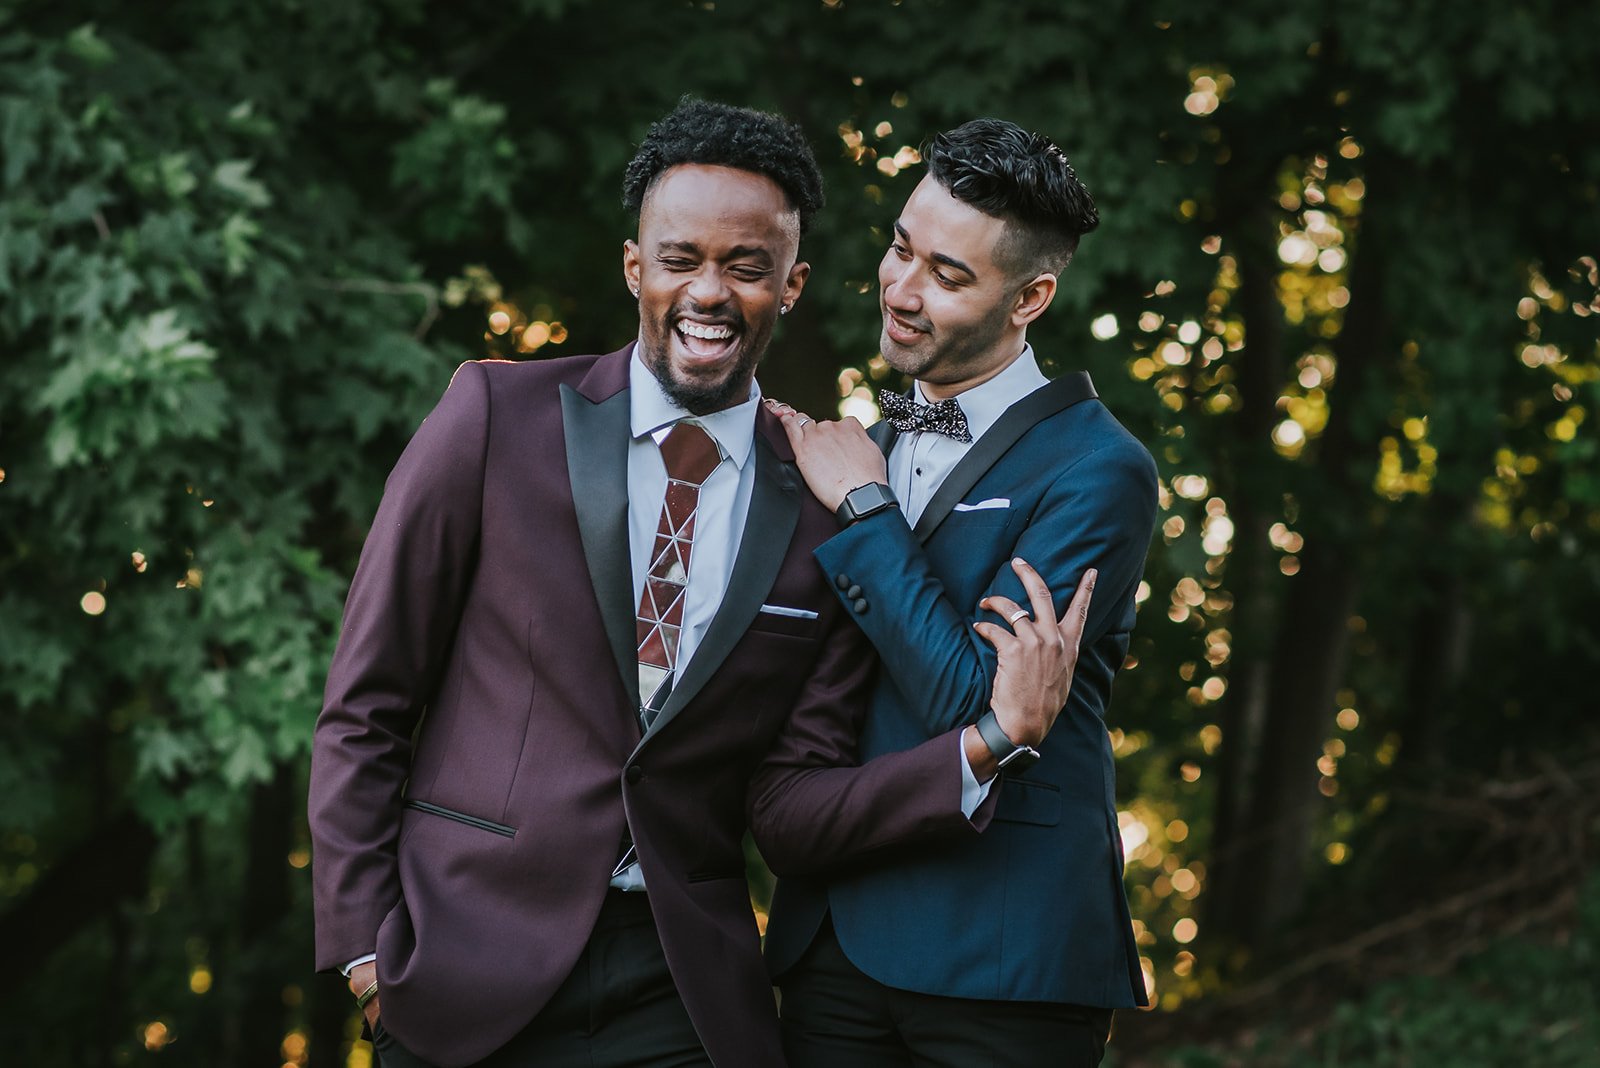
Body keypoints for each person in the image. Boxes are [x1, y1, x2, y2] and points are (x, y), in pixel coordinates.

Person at [308, 99, 1089, 1068]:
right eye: (680, 260)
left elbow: (792, 791)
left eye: (745, 266)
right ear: (636, 268)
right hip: (458, 962)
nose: (707, 292)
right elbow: (366, 702)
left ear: (792, 284)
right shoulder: (489, 418)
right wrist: (361, 950)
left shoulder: (824, 509)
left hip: (678, 988)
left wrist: (984, 743)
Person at [757, 118, 1160, 1068]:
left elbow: (972, 705)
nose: (900, 289)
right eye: (902, 248)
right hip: (832, 940)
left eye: (948, 274)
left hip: (1001, 954)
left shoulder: (1101, 471)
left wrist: (864, 507)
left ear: (1031, 297)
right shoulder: (878, 436)